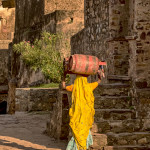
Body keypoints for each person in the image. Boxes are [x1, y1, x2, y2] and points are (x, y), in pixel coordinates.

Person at [62, 70, 104, 150]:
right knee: (84, 131)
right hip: (86, 115)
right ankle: (83, 146)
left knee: (77, 131)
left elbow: (63, 87)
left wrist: (64, 76)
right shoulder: (89, 86)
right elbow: (98, 82)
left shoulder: (74, 87)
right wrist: (99, 77)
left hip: (77, 115)